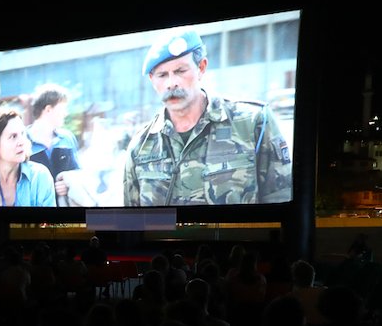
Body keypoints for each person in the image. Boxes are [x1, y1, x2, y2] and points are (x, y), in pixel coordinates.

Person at [122, 29, 292, 206]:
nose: (172, 83)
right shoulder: (140, 147)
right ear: (152, 80)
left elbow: (282, 202)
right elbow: (131, 222)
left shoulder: (253, 123)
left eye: (180, 71)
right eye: (162, 75)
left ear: (201, 67)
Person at [26, 84, 89, 206]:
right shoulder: (23, 140)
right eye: (63, 108)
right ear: (48, 109)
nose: (66, 113)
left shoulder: (67, 138)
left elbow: (79, 173)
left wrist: (68, 183)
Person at [0, 109, 56, 207]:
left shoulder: (40, 176)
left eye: (23, 133)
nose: (22, 141)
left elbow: (50, 221)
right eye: (13, 136)